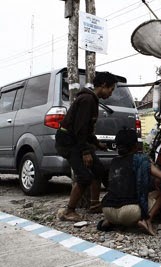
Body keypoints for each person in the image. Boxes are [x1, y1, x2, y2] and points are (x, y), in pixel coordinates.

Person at [55, 72, 118, 222]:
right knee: (84, 177)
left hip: (78, 140)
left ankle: (94, 204)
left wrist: (96, 144)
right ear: (103, 85)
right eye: (111, 89)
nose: (111, 93)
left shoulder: (91, 99)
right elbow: (80, 128)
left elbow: (87, 129)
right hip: (69, 142)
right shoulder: (87, 99)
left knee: (98, 169)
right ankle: (69, 211)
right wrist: (85, 152)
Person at [97, 128, 161, 236]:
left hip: (108, 211)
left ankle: (111, 222)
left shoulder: (114, 161)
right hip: (130, 212)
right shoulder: (141, 160)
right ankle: (147, 220)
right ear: (135, 145)